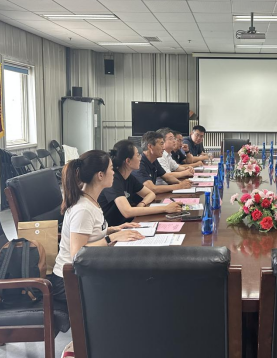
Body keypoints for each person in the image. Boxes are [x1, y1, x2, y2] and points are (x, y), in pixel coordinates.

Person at [52, 150, 145, 358]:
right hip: (69, 279)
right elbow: (78, 253)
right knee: (129, 288)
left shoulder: (91, 201)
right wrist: (112, 239)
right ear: (100, 175)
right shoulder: (83, 209)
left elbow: (91, 234)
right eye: (111, 169)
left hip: (83, 271)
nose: (114, 173)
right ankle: (78, 347)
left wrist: (114, 229)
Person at [98, 140, 182, 227]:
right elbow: (127, 212)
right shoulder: (114, 179)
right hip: (113, 229)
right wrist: (165, 208)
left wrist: (142, 204)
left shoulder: (129, 177)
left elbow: (150, 194)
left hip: (127, 224)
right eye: (138, 155)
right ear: (128, 161)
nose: (140, 158)